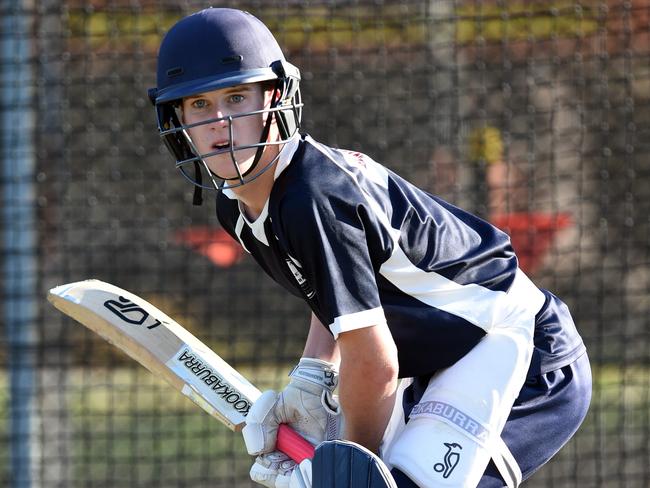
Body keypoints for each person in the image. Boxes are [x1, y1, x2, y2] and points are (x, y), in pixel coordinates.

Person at [149, 7, 592, 488]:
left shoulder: (310, 197)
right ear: (177, 120)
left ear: (276, 98)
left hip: (516, 350)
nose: (220, 123)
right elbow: (337, 290)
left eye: (237, 97)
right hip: (438, 361)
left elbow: (374, 359)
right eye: (198, 105)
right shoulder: (237, 207)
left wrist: (347, 462)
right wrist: (314, 378)